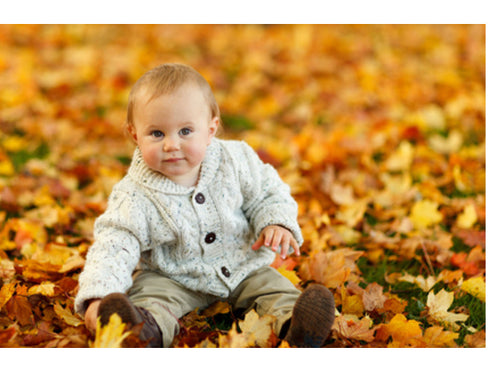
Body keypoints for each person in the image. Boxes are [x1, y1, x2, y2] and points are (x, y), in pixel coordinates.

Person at [74, 63, 335, 347]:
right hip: (173, 277)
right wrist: (98, 295)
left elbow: (268, 192)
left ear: (210, 130)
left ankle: (297, 326)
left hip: (243, 265)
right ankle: (139, 330)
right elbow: (115, 244)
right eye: (157, 134)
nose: (171, 145)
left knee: (274, 290)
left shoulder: (236, 160)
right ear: (135, 135)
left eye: (186, 131)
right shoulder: (134, 195)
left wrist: (275, 221)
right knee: (151, 298)